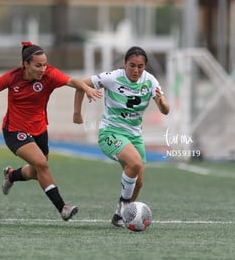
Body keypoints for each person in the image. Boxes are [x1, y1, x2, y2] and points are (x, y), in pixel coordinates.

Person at [0, 41, 102, 221]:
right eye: (38, 65)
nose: (42, 69)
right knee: (42, 164)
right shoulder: (11, 77)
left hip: (39, 130)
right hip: (14, 130)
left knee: (37, 171)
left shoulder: (50, 74)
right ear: (25, 64)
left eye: (44, 64)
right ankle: (63, 208)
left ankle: (11, 175)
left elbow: (71, 81)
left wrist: (86, 88)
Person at [73, 46, 170, 227]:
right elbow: (80, 84)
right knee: (135, 163)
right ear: (125, 64)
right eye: (132, 65)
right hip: (110, 133)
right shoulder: (113, 78)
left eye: (140, 66)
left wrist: (163, 103)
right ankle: (125, 206)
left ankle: (119, 216)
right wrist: (77, 113)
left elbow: (165, 110)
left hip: (134, 137)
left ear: (145, 66)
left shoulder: (150, 81)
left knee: (138, 182)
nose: (136, 70)